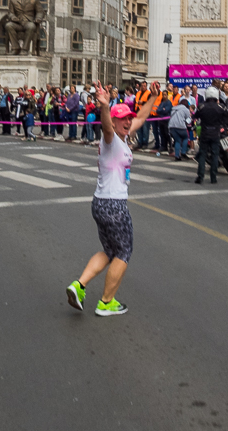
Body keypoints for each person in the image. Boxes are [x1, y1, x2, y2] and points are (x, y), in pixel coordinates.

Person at [66, 81, 158, 317]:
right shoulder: (111, 140)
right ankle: (106, 302)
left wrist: (153, 98)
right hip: (114, 205)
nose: (128, 122)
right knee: (123, 253)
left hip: (99, 202)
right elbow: (106, 127)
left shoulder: (124, 136)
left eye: (129, 118)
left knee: (109, 251)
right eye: (123, 119)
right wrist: (105, 106)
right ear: (115, 121)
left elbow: (141, 119)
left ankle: (79, 285)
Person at [195, 87, 228, 184]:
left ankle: (200, 176)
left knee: (202, 154)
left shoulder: (202, 106)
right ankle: (213, 177)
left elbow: (195, 116)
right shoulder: (221, 107)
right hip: (216, 133)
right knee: (215, 155)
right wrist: (221, 124)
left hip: (205, 134)